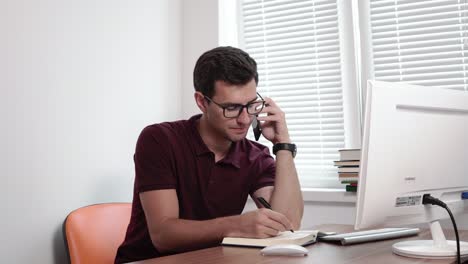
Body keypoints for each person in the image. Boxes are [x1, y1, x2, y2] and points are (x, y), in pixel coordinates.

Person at [115, 46, 303, 263]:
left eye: (251, 105)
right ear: (202, 102)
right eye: (231, 108)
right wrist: (236, 225)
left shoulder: (255, 156)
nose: (244, 120)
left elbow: (287, 223)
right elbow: (163, 235)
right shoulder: (159, 139)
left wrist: (283, 145)